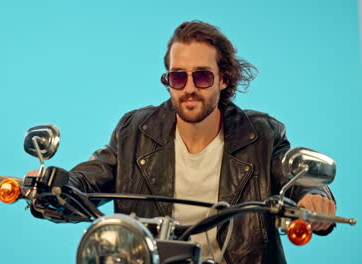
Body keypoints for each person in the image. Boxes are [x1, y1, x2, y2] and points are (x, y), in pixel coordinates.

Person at [30, 21, 336, 263]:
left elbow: (295, 179)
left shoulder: (261, 134)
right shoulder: (134, 131)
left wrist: (314, 195)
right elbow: (89, 181)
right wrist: (50, 186)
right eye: (178, 78)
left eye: (202, 77)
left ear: (224, 78)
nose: (189, 88)